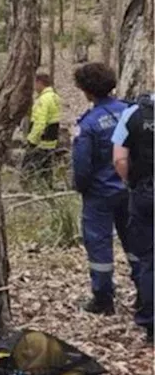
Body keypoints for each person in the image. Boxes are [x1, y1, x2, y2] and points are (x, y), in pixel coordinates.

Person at [70, 62, 137, 316]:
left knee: (99, 246)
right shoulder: (131, 111)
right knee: (137, 242)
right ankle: (145, 292)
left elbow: (82, 165)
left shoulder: (89, 124)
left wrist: (81, 186)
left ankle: (103, 298)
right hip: (131, 190)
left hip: (99, 194)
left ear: (87, 90)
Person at [112, 92, 153, 344]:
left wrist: (130, 182)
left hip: (146, 193)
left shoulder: (134, 113)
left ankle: (152, 323)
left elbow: (119, 158)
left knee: (149, 259)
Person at [25, 71, 62, 186]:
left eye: (35, 84)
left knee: (27, 172)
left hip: (40, 143)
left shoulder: (44, 99)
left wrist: (32, 140)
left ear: (39, 83)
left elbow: (40, 123)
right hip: (51, 143)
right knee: (46, 173)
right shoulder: (55, 97)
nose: (34, 87)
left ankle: (28, 195)